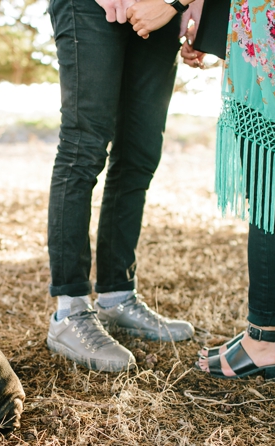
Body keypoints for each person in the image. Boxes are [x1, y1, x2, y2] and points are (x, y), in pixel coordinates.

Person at [130, 0, 275, 379]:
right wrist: (211, 23)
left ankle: (265, 340)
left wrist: (175, 3)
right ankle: (273, 328)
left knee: (271, 184)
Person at [45, 0, 198, 373]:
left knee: (138, 155)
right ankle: (70, 310)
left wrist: (193, 4)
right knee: (83, 149)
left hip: (163, 9)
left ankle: (116, 296)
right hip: (91, 7)